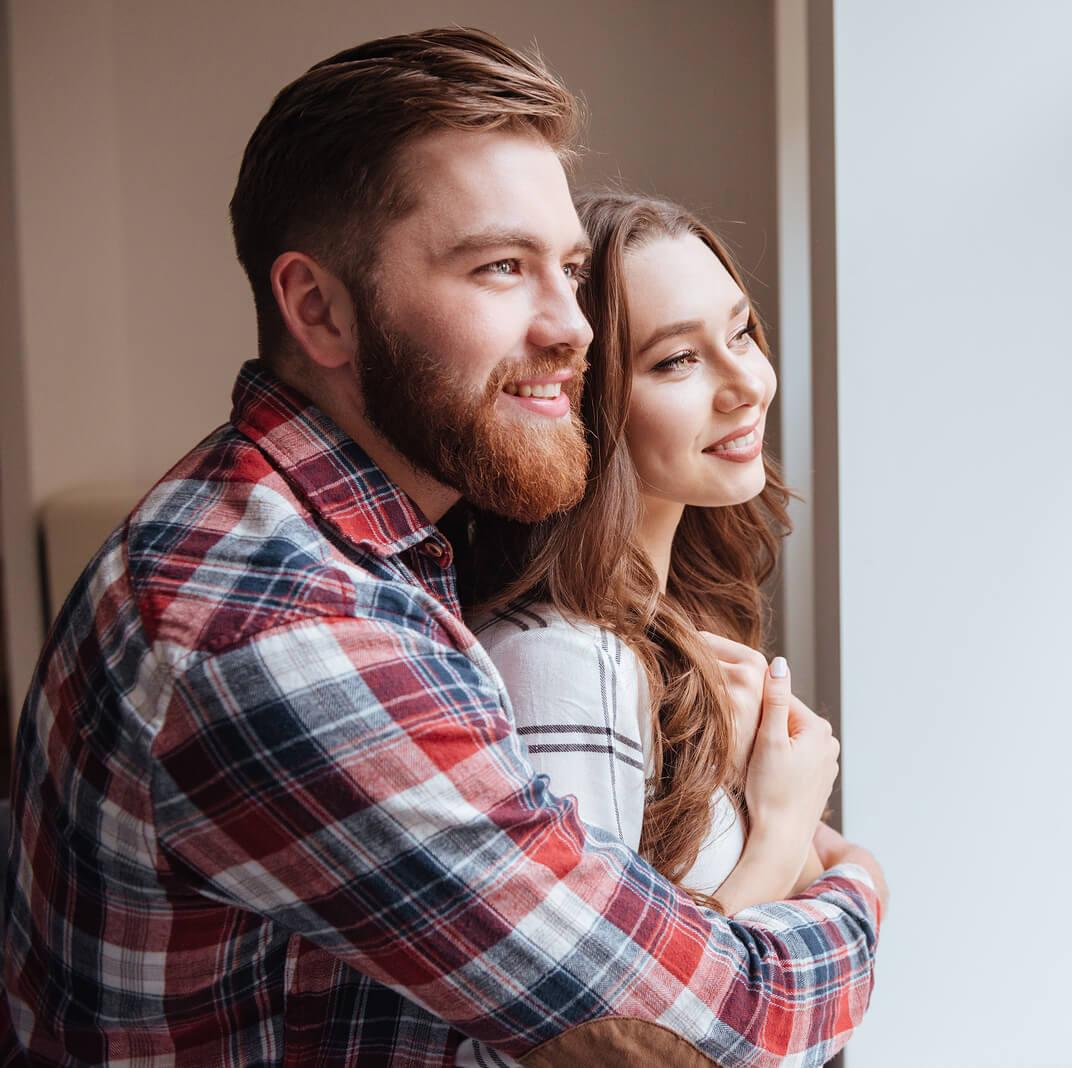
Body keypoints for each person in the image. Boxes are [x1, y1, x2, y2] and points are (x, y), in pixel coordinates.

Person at [1, 28, 884, 1066]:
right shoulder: (286, 634)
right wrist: (852, 880)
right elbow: (696, 1027)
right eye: (501, 268)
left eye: (568, 269)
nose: (574, 328)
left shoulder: (315, 538)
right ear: (318, 310)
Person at [450, 194, 838, 1066]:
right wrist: (784, 839)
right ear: (579, 401)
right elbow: (605, 1042)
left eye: (740, 335)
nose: (748, 384)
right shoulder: (560, 658)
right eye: (677, 362)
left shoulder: (669, 633)